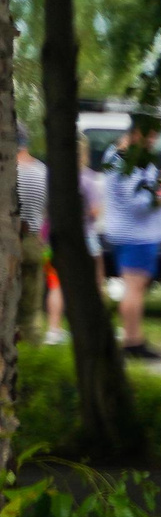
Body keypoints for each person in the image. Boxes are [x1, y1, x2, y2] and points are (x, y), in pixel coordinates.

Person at [101, 120, 161, 360]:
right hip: (137, 234)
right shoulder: (125, 162)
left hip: (128, 232)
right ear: (136, 133)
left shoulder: (117, 157)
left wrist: (158, 182)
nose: (153, 142)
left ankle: (133, 337)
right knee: (133, 287)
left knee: (134, 287)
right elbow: (140, 203)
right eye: (150, 136)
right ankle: (132, 342)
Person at [13, 129, 45, 354]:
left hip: (8, 243)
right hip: (33, 242)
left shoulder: (7, 171)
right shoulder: (42, 170)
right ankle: (32, 354)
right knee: (30, 309)